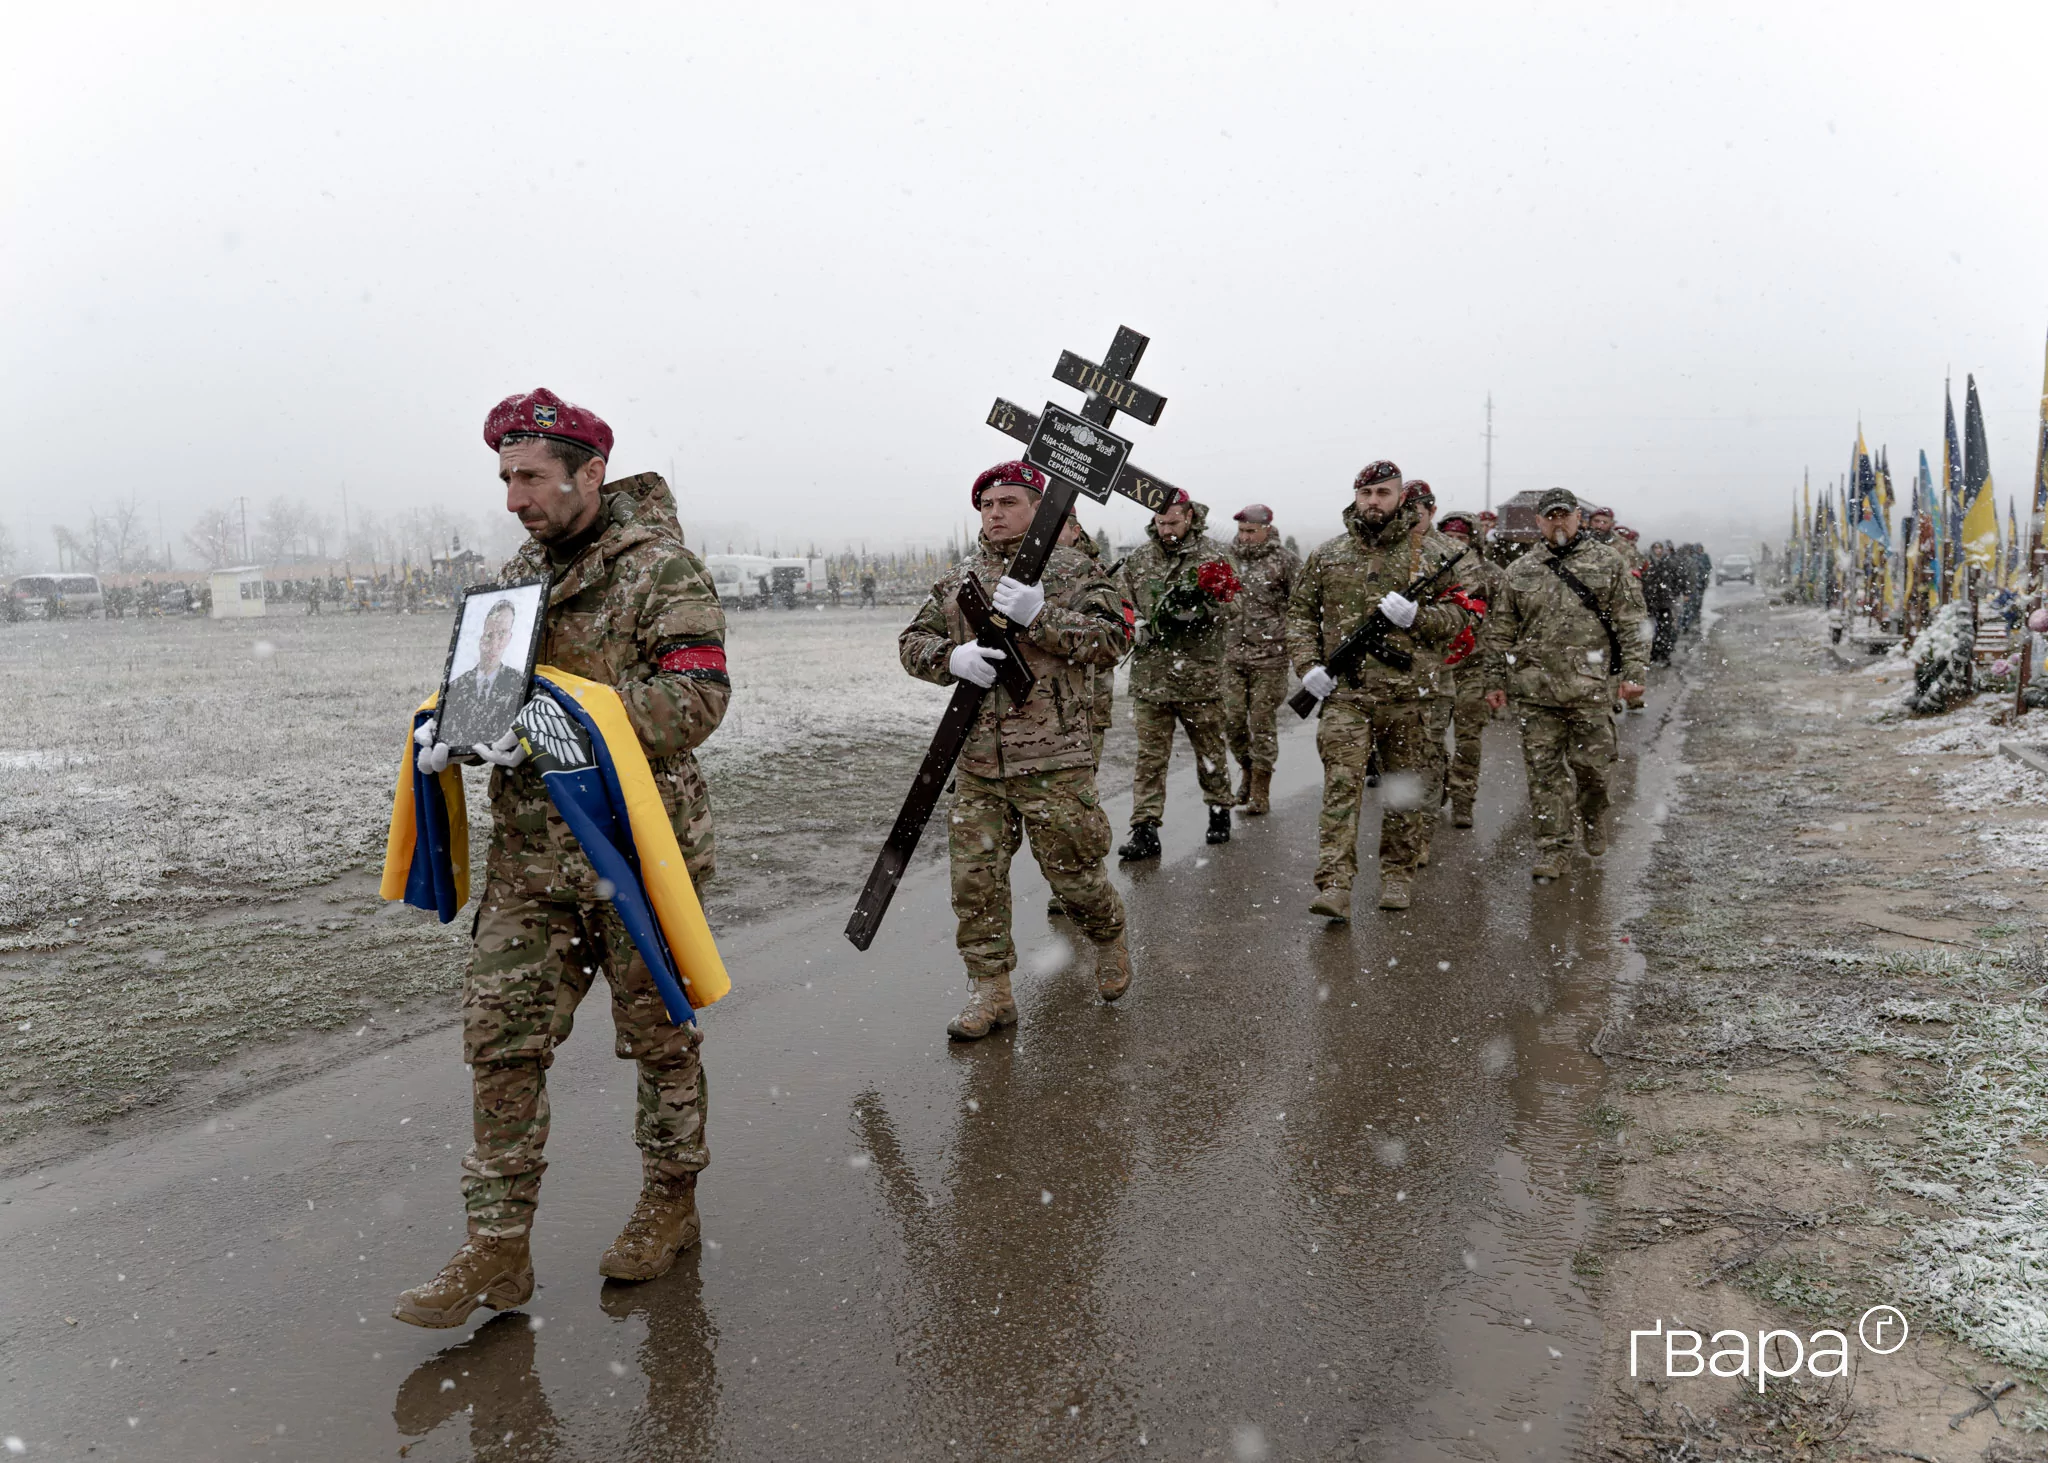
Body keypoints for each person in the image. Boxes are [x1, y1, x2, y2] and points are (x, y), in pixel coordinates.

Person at [396, 387, 730, 1328]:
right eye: (504, 476)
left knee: (660, 1040)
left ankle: (672, 1198)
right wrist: (456, 731)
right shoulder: (515, 575)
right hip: (532, 861)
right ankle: (497, 1245)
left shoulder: (661, 570)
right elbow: (485, 684)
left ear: (591, 473)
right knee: (500, 1042)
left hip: (635, 851)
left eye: (531, 476)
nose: (513, 497)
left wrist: (556, 731)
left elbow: (698, 702)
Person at [899, 461, 1134, 1038]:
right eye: (986, 505)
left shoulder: (1076, 571)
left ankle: (1108, 937)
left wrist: (1040, 616)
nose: (995, 513)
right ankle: (991, 992)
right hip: (978, 761)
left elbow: (1115, 640)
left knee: (1074, 876)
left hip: (1054, 760)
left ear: (1039, 508)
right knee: (975, 884)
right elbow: (912, 640)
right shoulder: (959, 581)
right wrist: (947, 658)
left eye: (1008, 502)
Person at [1287, 460, 1481, 918]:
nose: (1374, 502)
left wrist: (1419, 618)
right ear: (1356, 497)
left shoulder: (1433, 556)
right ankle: (1334, 884)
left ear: (1400, 498)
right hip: (1345, 696)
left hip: (1409, 697)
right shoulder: (1329, 554)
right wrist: (1309, 667)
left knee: (1403, 790)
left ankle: (1397, 873)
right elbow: (1299, 615)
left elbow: (1463, 620)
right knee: (1340, 787)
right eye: (1366, 494)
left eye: (1383, 494)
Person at [1480, 488, 1646, 882]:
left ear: (1578, 518)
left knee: (1592, 769)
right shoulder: (1520, 571)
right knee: (1544, 775)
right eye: (1550, 516)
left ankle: (1592, 814)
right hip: (1535, 690)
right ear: (1538, 522)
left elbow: (1630, 621)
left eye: (1565, 515)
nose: (1558, 522)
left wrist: (1635, 672)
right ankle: (1553, 847)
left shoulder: (1608, 563)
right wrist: (1494, 679)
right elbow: (1500, 629)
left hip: (1590, 688)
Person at [1118, 490, 1241, 856]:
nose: (1167, 529)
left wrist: (1203, 612)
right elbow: (1122, 602)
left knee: (1209, 751)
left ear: (1189, 517)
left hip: (1198, 675)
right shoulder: (1139, 559)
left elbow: (1236, 604)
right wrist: (1134, 624)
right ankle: (1144, 829)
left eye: (1173, 521)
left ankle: (1219, 810)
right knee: (1150, 758)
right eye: (1160, 522)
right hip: (1151, 678)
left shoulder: (1214, 557)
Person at [1222, 503, 1300, 815]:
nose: (1245, 537)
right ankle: (1247, 769)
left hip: (1270, 657)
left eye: (1251, 531)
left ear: (1267, 528)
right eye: (1241, 531)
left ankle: (1260, 789)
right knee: (1232, 721)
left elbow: (1301, 606)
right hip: (1230, 654)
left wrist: (1287, 637)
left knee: (1261, 722)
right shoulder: (1226, 560)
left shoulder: (1286, 562)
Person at [1435, 511, 1502, 828]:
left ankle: (1463, 798)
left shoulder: (1491, 575)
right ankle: (1437, 787)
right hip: (1436, 666)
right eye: (1449, 536)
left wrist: (1497, 676)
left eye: (1461, 538)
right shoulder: (1429, 569)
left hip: (1474, 665)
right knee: (1430, 738)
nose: (1454, 543)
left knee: (1468, 738)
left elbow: (1503, 626)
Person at [1058, 513, 1119, 771]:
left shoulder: (1095, 573)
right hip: (1037, 701)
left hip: (1088, 698)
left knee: (1081, 780)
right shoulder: (1027, 567)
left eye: (1056, 527)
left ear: (1075, 531)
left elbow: (1113, 638)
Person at [440, 598, 529, 747]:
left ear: (509, 638)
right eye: (489, 634)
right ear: (479, 637)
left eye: (502, 633)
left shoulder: (519, 684)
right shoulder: (455, 687)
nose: (494, 644)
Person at [1586, 507, 1647, 712]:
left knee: (1615, 655)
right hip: (1585, 610)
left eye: (1604, 522)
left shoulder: (1623, 548)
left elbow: (1630, 582)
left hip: (1612, 609)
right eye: (1596, 521)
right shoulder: (1581, 544)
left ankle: (1614, 696)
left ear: (1611, 524)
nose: (1599, 526)